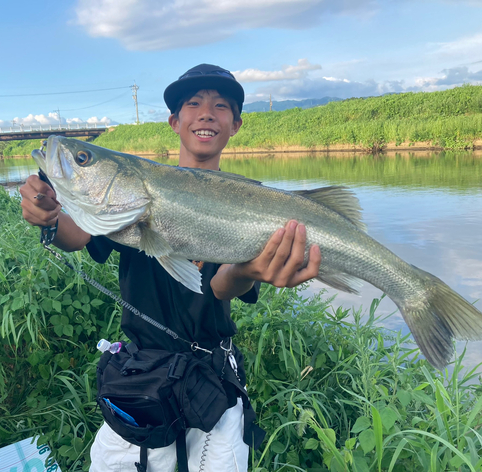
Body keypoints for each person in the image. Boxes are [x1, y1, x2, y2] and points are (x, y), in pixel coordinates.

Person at [19, 64, 321, 472]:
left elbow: (218, 287)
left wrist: (246, 271)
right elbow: (77, 236)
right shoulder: (128, 197)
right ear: (175, 121)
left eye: (221, 106)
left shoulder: (246, 202)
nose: (206, 112)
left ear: (236, 124)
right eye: (193, 104)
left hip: (214, 384)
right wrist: (51, 219)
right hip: (140, 379)